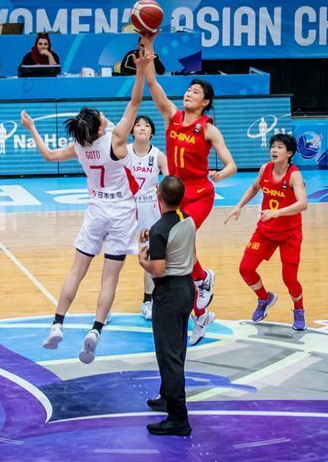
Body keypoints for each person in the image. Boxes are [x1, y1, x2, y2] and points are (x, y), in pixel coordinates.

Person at [20, 50, 153, 364]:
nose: (103, 114)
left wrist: (31, 128)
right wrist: (140, 70)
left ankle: (57, 323)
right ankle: (95, 330)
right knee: (110, 279)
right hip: (122, 213)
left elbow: (49, 156)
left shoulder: (79, 146)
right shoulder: (116, 139)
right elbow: (135, 102)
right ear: (99, 128)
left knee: (77, 271)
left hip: (96, 211)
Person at [144, 34, 237, 346]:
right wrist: (149, 49)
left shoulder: (209, 129)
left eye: (195, 92)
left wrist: (221, 173)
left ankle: (201, 289)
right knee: (179, 252)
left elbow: (232, 164)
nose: (188, 94)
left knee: (177, 246)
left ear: (205, 101)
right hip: (172, 194)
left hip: (198, 196)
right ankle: (201, 302)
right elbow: (153, 84)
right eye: (187, 90)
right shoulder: (171, 116)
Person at [224, 133, 308, 331]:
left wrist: (277, 213)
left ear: (289, 153)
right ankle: (264, 298)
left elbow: (303, 204)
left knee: (289, 279)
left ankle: (299, 310)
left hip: (289, 233)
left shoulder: (294, 175)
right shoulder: (265, 169)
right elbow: (254, 188)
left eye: (279, 147)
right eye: (273, 146)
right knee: (245, 268)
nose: (274, 150)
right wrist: (239, 205)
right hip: (266, 231)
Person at [138, 175, 196, 436]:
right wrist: (154, 238)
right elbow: (176, 244)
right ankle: (166, 396)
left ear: (158, 196)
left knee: (168, 356)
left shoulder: (160, 229)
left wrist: (142, 259)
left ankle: (178, 419)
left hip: (169, 293)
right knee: (177, 350)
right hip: (187, 288)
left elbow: (158, 270)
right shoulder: (188, 219)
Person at [128, 115, 168, 320]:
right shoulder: (124, 152)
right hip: (126, 206)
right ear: (132, 131)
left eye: (146, 125)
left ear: (152, 132)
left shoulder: (158, 156)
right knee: (116, 256)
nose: (142, 128)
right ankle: (105, 307)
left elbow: (169, 182)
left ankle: (147, 301)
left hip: (150, 208)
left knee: (150, 255)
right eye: (138, 125)